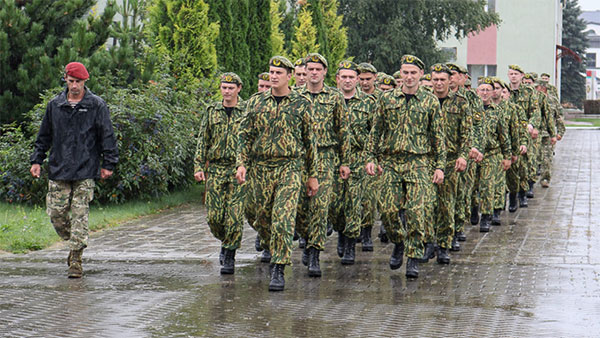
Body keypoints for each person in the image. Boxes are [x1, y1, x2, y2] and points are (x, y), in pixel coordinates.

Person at [236, 56, 319, 291]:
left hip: (289, 167)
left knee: (283, 218)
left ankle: (278, 267)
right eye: (271, 72)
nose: (273, 76)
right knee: (258, 215)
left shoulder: (301, 104)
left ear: (289, 76)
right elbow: (244, 135)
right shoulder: (255, 102)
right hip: (260, 168)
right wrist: (241, 164)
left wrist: (312, 175)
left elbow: (309, 141)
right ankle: (272, 244)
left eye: (278, 73)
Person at [30, 62, 118, 278]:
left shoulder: (96, 105)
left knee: (80, 215)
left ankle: (76, 260)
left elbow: (107, 135)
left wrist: (108, 163)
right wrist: (37, 160)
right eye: (71, 81)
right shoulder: (55, 105)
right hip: (59, 168)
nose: (75, 86)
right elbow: (44, 136)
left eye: (78, 82)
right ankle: (74, 244)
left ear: (85, 81)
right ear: (66, 80)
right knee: (56, 214)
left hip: (85, 168)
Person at [365, 55, 446, 278]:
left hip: (419, 162)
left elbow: (438, 137)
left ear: (421, 75)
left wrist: (439, 167)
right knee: (388, 211)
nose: (408, 77)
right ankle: (399, 242)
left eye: (413, 73)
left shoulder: (429, 101)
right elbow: (376, 131)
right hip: (391, 162)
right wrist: (370, 158)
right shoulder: (387, 99)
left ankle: (413, 256)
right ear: (400, 74)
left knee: (417, 211)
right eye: (405, 72)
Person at [295, 53, 350, 277]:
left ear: (325, 72)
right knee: (298, 206)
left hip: (326, 157)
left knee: (320, 207)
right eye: (310, 69)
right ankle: (306, 237)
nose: (314, 73)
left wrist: (345, 161)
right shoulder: (296, 96)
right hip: (299, 159)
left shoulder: (335, 97)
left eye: (318, 69)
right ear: (305, 71)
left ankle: (315, 252)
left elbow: (343, 130)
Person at [194, 72, 246, 275]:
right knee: (214, 217)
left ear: (238, 89)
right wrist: (198, 166)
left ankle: (230, 254)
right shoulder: (212, 111)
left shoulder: (246, 111)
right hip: (215, 169)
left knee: (234, 216)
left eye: (231, 88)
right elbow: (202, 140)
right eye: (224, 87)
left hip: (237, 170)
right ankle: (226, 240)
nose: (227, 91)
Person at [330, 60, 377, 263]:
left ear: (357, 80)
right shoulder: (329, 101)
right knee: (334, 204)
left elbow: (375, 133)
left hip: (358, 158)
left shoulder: (369, 103)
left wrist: (372, 158)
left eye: (351, 77)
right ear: (337, 79)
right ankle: (341, 231)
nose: (348, 81)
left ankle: (349, 244)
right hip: (333, 159)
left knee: (353, 203)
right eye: (344, 77)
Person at [428, 64, 471, 264]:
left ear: (449, 81)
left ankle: (443, 244)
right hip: (426, 159)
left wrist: (463, 155)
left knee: (446, 204)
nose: (438, 83)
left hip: (451, 160)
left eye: (442, 79)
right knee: (426, 204)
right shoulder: (424, 100)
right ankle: (427, 242)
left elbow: (466, 133)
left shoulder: (461, 103)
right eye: (435, 79)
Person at [474, 77, 512, 232]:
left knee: (487, 186)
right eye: (481, 90)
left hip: (491, 154)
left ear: (493, 93)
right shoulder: (471, 110)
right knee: (471, 187)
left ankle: (486, 216)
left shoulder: (498, 112)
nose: (484, 93)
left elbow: (504, 135)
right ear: (477, 92)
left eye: (487, 90)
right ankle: (472, 210)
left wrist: (507, 156)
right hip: (473, 154)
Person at [507, 64, 541, 209]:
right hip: (508, 133)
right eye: (511, 73)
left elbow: (535, 111)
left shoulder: (529, 92)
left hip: (524, 132)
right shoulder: (505, 90)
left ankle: (523, 192)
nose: (513, 76)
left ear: (522, 76)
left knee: (524, 165)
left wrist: (531, 125)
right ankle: (512, 195)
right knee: (510, 167)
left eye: (516, 74)